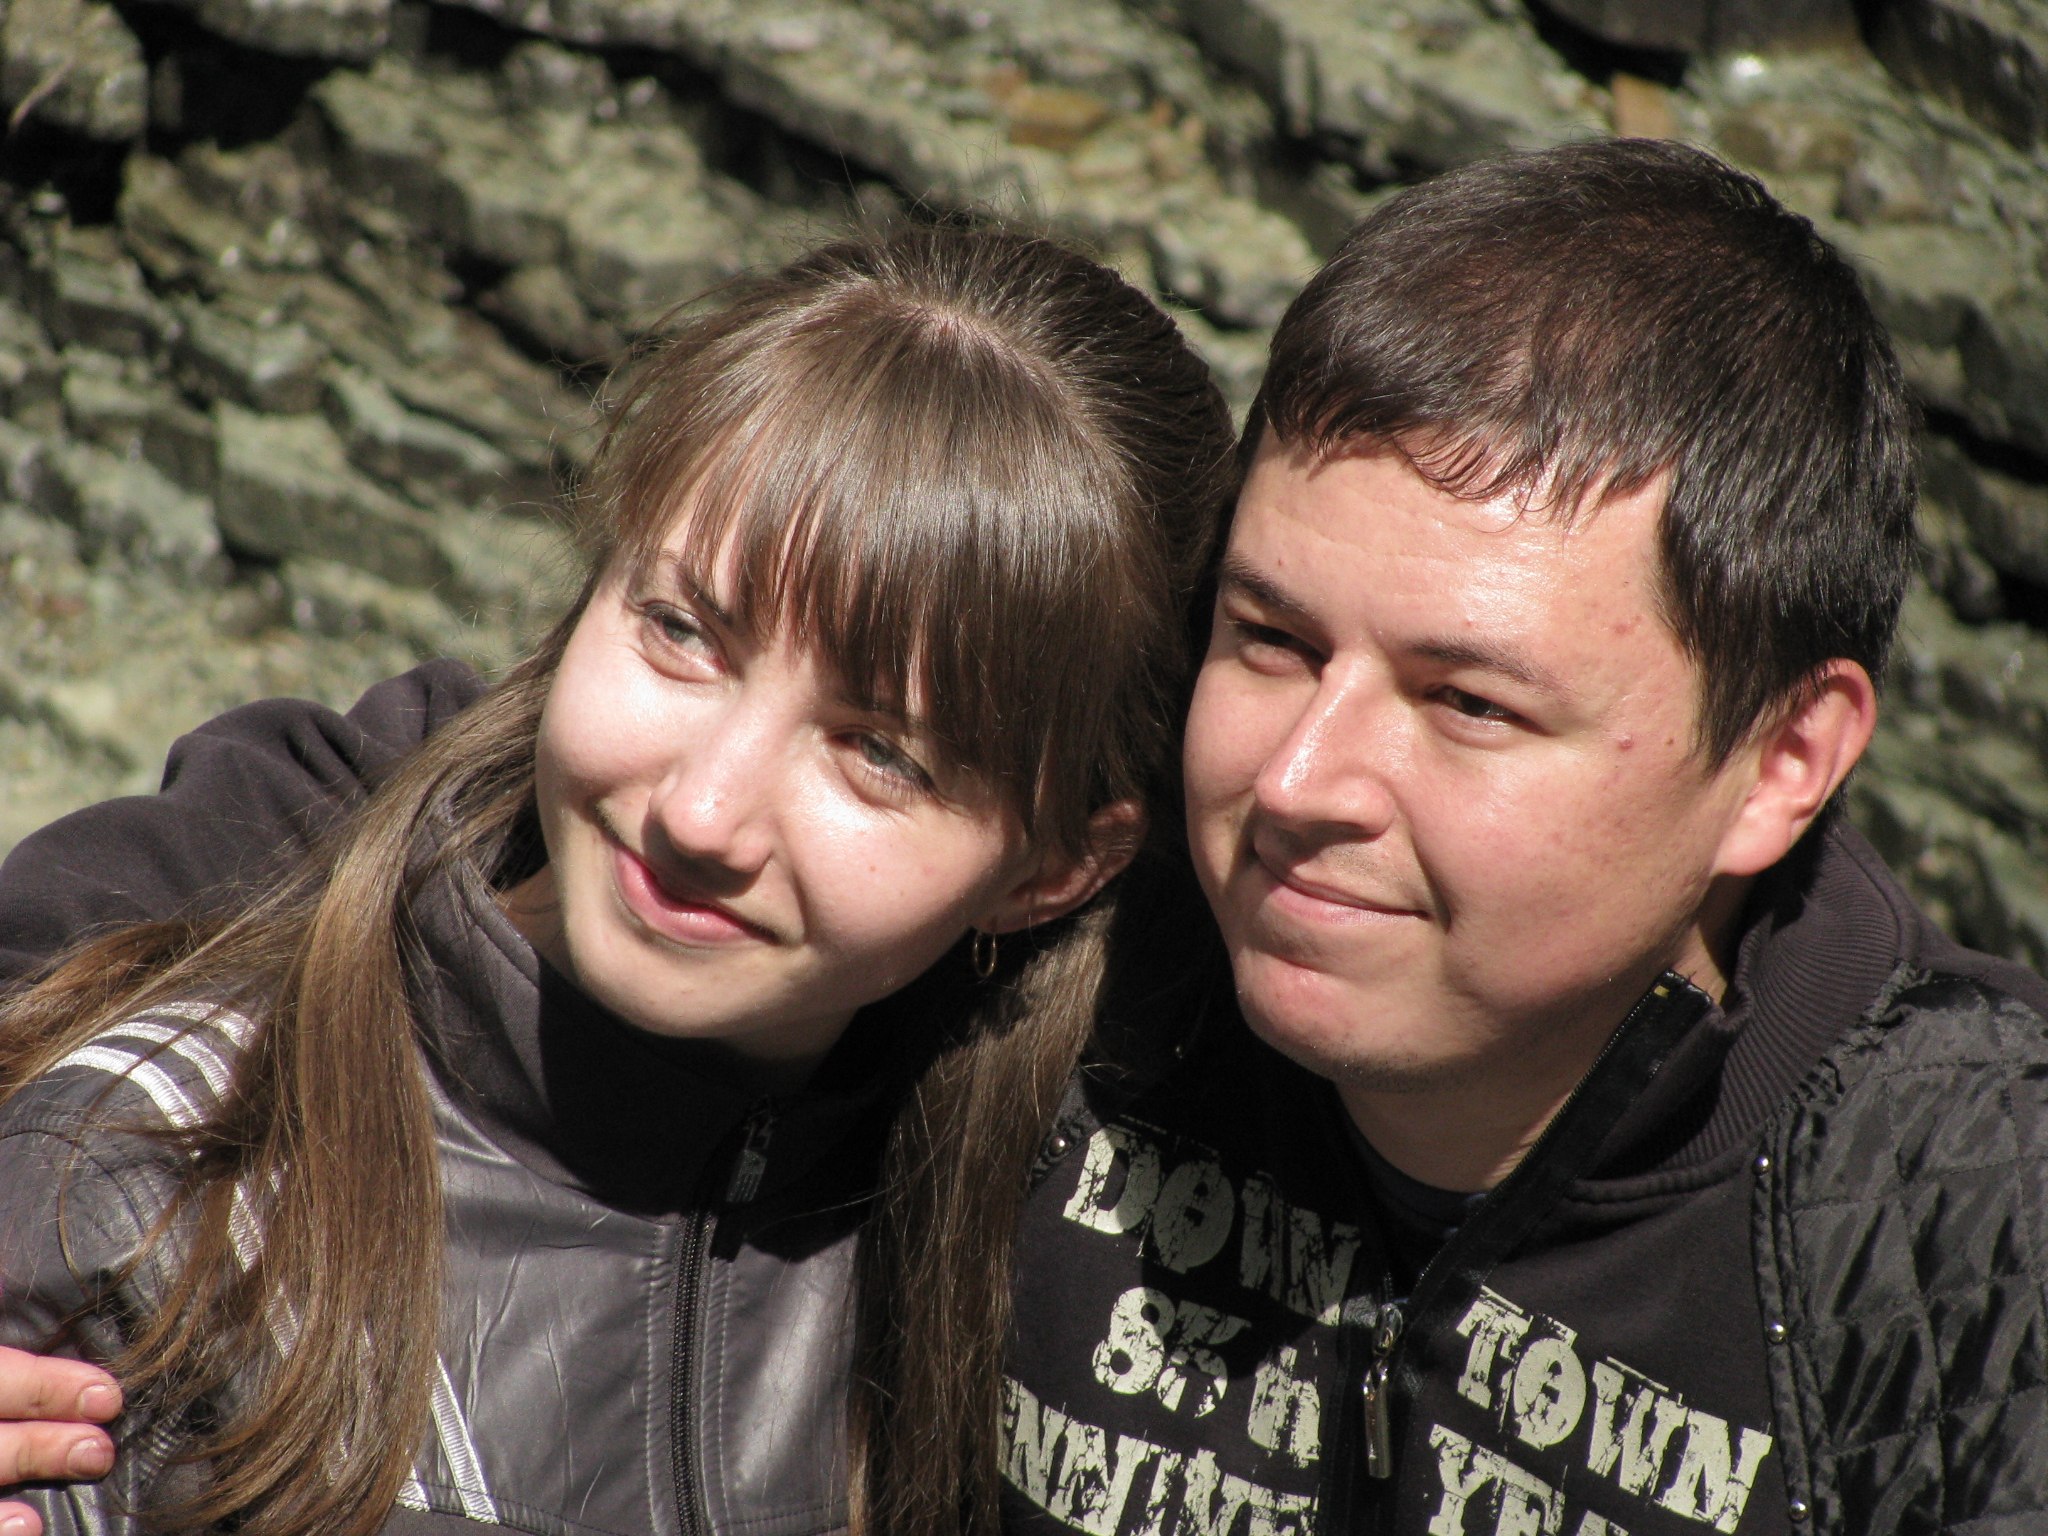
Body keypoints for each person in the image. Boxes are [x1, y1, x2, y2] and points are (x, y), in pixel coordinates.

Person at [10, 139, 2048, 1535]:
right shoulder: (1113, 928)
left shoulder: (1945, 1226)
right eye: (1269, 637)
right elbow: (445, 798)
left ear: (1784, 761)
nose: (1304, 781)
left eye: (1468, 702)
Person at [0, 220, 1236, 1536]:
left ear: (1056, 870)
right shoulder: (158, 1194)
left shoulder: (1078, 1229)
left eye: (882, 753)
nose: (700, 815)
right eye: (681, 631)